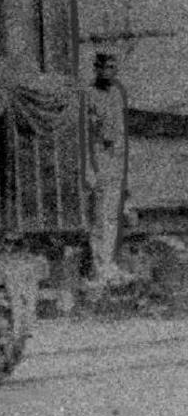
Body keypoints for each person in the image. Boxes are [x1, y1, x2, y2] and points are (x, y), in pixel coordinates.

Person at [86, 51, 131, 288]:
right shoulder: (89, 94)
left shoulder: (117, 94)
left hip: (115, 157)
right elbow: (90, 131)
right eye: (104, 67)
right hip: (98, 155)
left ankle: (108, 263)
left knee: (112, 215)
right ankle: (99, 266)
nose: (108, 71)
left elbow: (119, 130)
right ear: (96, 68)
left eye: (113, 67)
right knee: (100, 215)